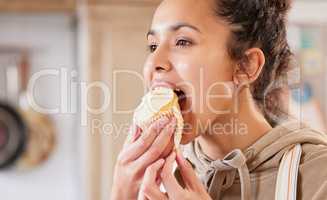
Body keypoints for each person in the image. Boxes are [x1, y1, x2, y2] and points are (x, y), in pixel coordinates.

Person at [111, 0, 327, 199]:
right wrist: (121, 194)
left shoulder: (317, 177)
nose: (154, 62)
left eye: (183, 41)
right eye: (153, 46)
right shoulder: (156, 181)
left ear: (245, 65)